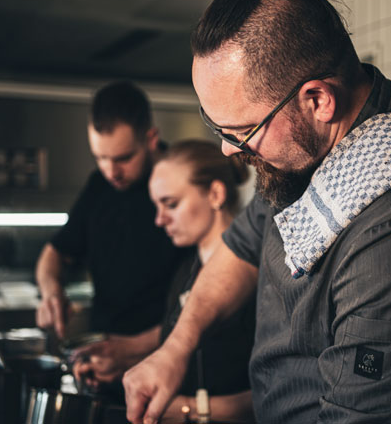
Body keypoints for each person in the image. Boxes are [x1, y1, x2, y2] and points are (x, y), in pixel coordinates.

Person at [123, 0, 391, 424]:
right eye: (218, 128)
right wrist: (175, 348)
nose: (228, 150)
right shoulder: (297, 152)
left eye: (241, 132)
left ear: (318, 100)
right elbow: (244, 246)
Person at [73, 140, 255, 423]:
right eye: (157, 206)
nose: (160, 220)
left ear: (215, 194)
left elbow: (279, 390)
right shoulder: (186, 270)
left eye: (171, 204)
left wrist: (191, 409)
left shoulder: (257, 277)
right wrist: (123, 373)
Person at [35, 81, 180, 341]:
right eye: (100, 158)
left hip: (165, 353)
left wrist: (132, 349)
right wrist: (51, 292)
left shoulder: (182, 182)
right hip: (104, 346)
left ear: (151, 139)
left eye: (123, 158)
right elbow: (55, 253)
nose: (111, 172)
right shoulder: (99, 186)